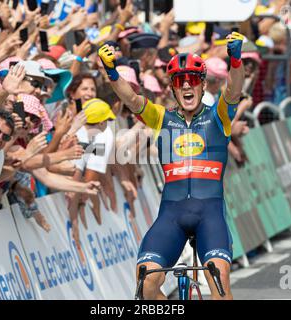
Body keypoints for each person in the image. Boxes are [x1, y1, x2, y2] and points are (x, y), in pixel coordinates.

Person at [98, 31, 245, 300]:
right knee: (146, 280)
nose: (186, 86)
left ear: (202, 85)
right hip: (171, 215)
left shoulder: (218, 116)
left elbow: (234, 90)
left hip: (209, 214)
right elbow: (132, 100)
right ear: (172, 89)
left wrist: (236, 60)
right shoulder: (161, 118)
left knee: (218, 278)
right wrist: (111, 73)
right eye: (180, 81)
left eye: (192, 80)